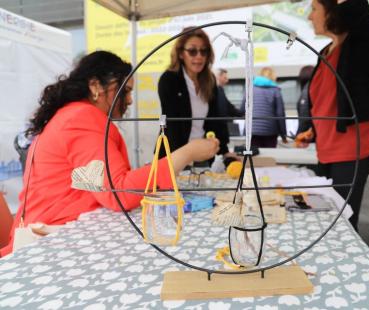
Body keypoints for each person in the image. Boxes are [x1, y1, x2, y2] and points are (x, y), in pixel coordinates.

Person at [0, 51, 219, 257]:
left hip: (55, 230)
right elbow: (118, 193)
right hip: (48, 241)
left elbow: (101, 185)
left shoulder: (71, 115)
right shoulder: (81, 119)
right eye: (126, 90)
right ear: (95, 86)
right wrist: (187, 153)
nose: (130, 99)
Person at [296, 0, 369, 230]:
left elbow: (359, 10)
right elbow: (328, 103)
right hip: (327, 150)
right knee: (324, 219)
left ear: (332, 12)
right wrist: (313, 131)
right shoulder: (326, 51)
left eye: (314, 9)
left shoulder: (363, 40)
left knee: (340, 225)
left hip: (351, 150)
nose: (309, 16)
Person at [158, 27, 236, 163]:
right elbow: (172, 124)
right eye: (192, 51)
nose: (199, 56)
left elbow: (215, 120)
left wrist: (225, 152)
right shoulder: (169, 79)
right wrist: (181, 160)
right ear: (181, 53)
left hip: (203, 156)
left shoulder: (210, 80)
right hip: (175, 156)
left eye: (203, 51)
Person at [241, 67, 287, 148]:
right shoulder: (275, 90)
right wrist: (283, 134)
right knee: (269, 157)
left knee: (254, 157)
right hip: (270, 131)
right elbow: (280, 114)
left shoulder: (250, 88)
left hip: (252, 130)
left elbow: (242, 109)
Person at [296, 65, 314, 135]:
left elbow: (304, 117)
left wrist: (299, 134)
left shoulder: (306, 92)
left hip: (308, 134)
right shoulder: (313, 89)